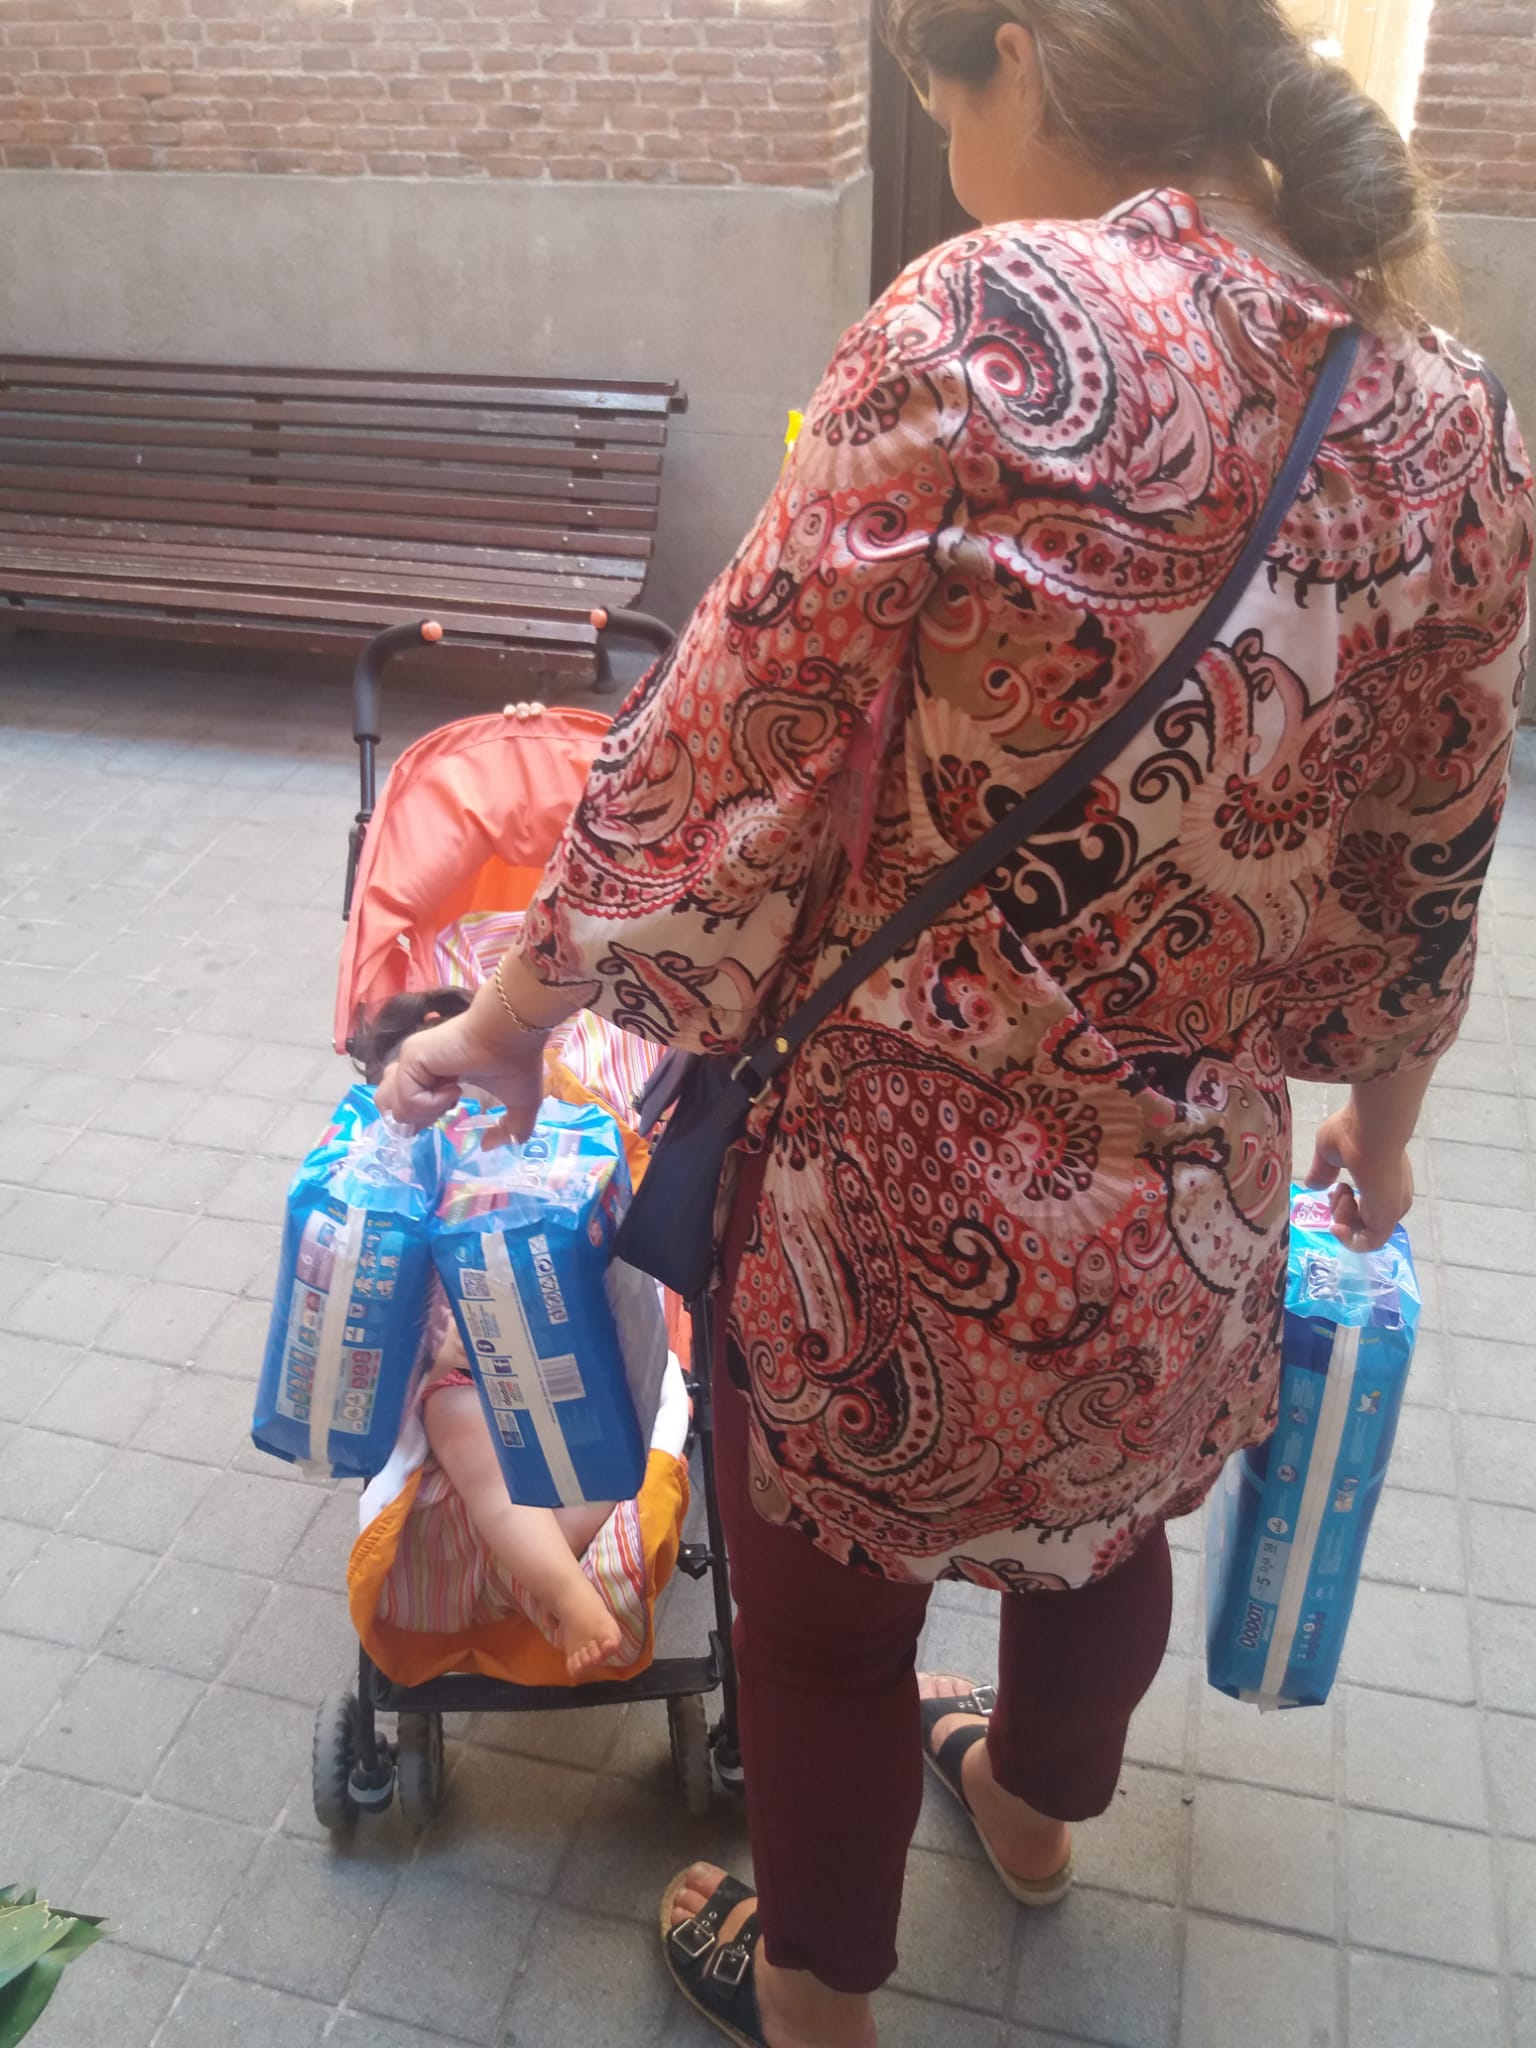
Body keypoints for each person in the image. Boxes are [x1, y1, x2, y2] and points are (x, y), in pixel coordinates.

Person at [378, 0, 1533, 2040]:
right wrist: (1390, 1118)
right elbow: (1433, 839)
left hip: (889, 1201)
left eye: (934, 97)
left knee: (827, 1628)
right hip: (1190, 1194)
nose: (947, 146)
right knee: (1103, 1540)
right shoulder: (1455, 413)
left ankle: (818, 1996)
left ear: (1012, 54)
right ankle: (1030, 1810)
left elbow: (724, 746)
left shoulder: (983, 323)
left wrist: (509, 1009)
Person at [358, 990, 624, 1678]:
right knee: (466, 1436)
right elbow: (379, 1327)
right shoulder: (398, 1185)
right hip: (459, 1376)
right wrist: (431, 1352)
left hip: (553, 1351)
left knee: (611, 1445)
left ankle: (546, 1553)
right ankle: (566, 1594)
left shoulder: (531, 1131)